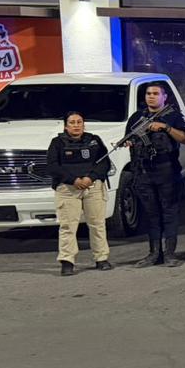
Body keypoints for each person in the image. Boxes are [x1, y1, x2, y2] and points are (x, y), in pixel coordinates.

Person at [125, 82, 185, 268]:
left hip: (167, 170)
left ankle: (170, 254)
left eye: (155, 93)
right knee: (151, 215)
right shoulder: (137, 117)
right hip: (144, 172)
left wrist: (166, 128)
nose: (151, 97)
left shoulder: (173, 116)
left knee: (169, 212)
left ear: (164, 97)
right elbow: (130, 139)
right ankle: (154, 253)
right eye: (148, 93)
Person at [46, 112, 112, 275]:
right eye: (72, 122)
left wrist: (91, 177)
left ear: (84, 124)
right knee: (68, 226)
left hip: (93, 187)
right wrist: (73, 179)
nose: (76, 125)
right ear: (65, 126)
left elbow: (104, 162)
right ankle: (67, 261)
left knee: (97, 224)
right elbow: (52, 167)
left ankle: (101, 258)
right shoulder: (57, 143)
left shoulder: (94, 140)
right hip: (67, 189)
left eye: (79, 122)